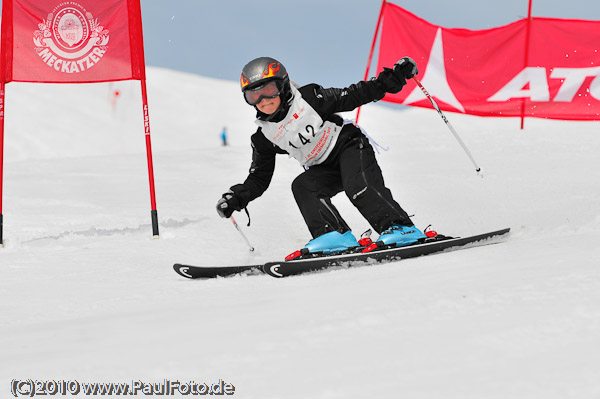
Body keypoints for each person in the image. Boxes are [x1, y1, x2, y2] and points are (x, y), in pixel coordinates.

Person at [216, 56, 427, 257]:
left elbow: (352, 95)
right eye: (253, 96)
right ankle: (334, 235)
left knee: (358, 188)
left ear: (282, 85)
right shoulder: (264, 136)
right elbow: (259, 178)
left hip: (349, 147)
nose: (262, 100)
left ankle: (400, 228)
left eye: (268, 90)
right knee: (303, 186)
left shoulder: (309, 99)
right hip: (322, 168)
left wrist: (390, 80)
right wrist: (237, 197)